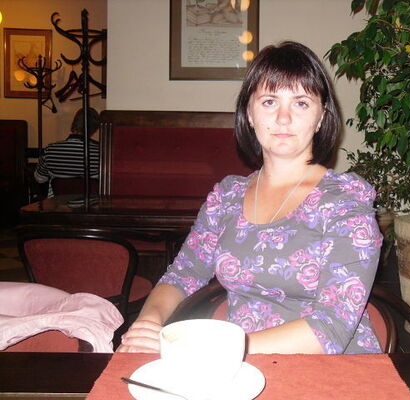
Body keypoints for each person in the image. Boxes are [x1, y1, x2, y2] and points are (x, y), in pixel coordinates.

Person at [118, 41, 383, 355]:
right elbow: (184, 274)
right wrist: (148, 323)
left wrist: (219, 351)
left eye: (301, 103)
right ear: (250, 113)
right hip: (236, 363)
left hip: (329, 367)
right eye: (269, 101)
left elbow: (332, 327)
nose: (283, 118)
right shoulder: (227, 198)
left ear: (321, 117)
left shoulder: (345, 202)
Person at [34, 107, 100, 196]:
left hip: (57, 203)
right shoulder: (100, 152)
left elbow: (39, 178)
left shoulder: (50, 150)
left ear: (74, 124)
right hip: (90, 203)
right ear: (94, 129)